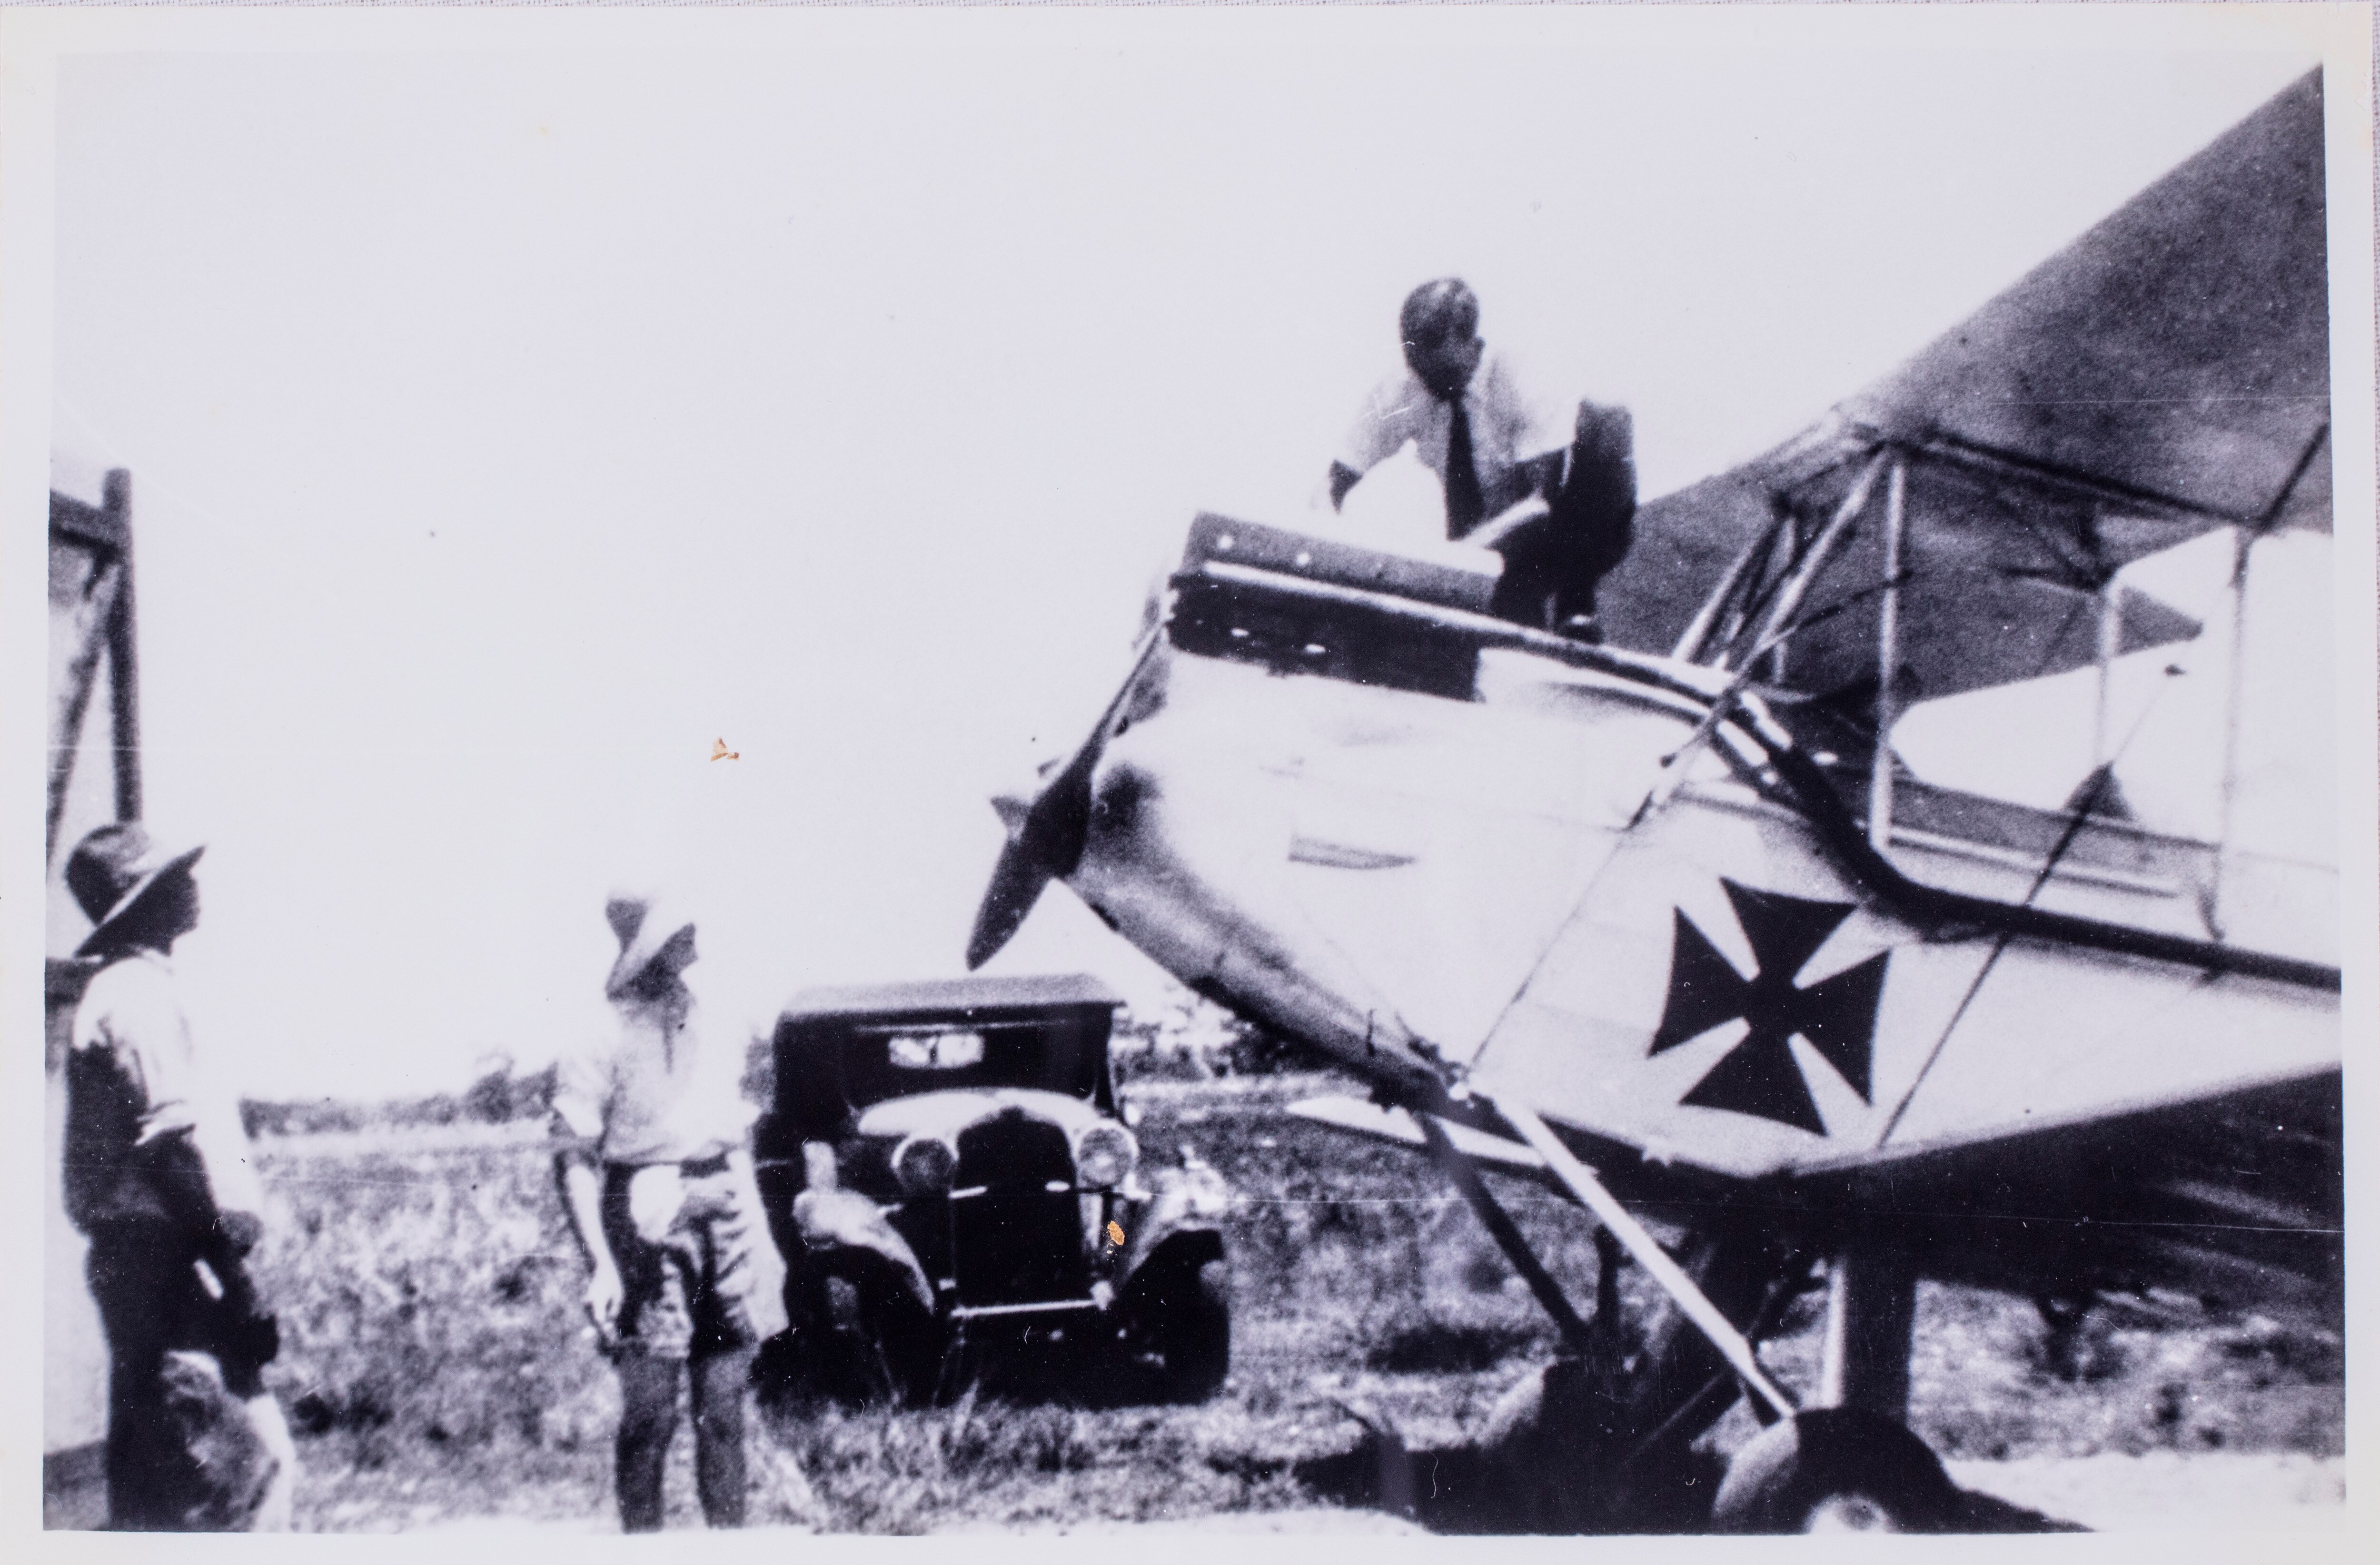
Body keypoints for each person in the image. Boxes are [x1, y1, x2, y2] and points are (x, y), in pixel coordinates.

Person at [62, 823, 296, 1531]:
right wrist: (237, 1279)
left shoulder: (142, 989)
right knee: (240, 1476)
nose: (191, 886)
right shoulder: (134, 994)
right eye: (173, 879)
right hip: (157, 1257)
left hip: (160, 1255)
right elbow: (168, 1152)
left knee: (178, 1484)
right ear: (145, 902)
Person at [553, 894, 787, 1532]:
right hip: (645, 1220)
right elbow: (574, 1155)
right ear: (650, 945)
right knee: (651, 1415)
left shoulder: (716, 1018)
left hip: (726, 1212)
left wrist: (757, 1234)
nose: (695, 940)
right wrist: (601, 1264)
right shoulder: (600, 1033)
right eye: (681, 931)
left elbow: (735, 1130)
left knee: (725, 1410)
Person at [1329, 277, 1637, 633]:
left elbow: (1543, 503)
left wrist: (1457, 557)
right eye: (1421, 371)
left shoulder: (1521, 375)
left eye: (1445, 372)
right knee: (1490, 623)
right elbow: (1334, 481)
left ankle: (1577, 603)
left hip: (1558, 521)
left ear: (1473, 345)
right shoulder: (1403, 389)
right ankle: (1510, 617)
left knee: (1606, 422)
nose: (1432, 385)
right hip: (1484, 527)